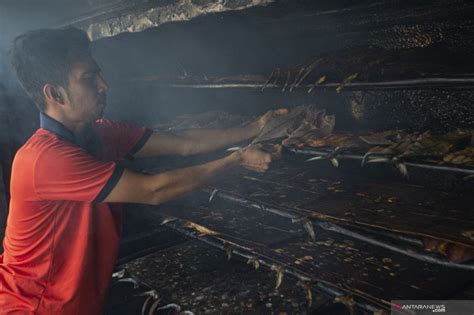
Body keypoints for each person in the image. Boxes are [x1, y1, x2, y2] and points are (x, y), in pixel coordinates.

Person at [0, 27, 287, 314]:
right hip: (34, 308)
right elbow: (155, 190)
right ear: (55, 94)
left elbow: (184, 143)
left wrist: (255, 128)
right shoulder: (45, 159)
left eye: (98, 74)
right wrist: (236, 161)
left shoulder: (99, 134)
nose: (103, 85)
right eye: (89, 79)